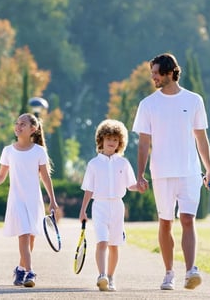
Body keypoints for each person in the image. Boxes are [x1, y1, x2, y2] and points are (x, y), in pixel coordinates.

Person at [132, 53, 210, 291]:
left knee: (187, 219)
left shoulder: (194, 100)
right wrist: (140, 175)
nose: (153, 78)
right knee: (165, 222)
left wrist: (209, 169)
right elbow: (143, 143)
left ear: (170, 73)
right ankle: (169, 273)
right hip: (161, 172)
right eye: (152, 74)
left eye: (156, 73)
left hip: (190, 172)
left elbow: (201, 137)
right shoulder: (147, 104)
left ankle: (191, 271)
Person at [0, 113, 59, 288]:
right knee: (23, 234)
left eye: (22, 124)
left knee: (30, 237)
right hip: (16, 199)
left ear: (33, 129)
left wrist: (52, 201)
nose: (18, 126)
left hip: (33, 200)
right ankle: (30, 272)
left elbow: (46, 178)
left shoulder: (39, 151)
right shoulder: (8, 151)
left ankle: (20, 269)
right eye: (16, 123)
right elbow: (1, 176)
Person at [79, 119, 142, 292]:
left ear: (120, 142)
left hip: (117, 207)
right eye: (108, 139)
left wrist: (140, 186)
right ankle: (102, 276)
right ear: (101, 140)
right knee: (102, 241)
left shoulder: (123, 163)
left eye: (115, 140)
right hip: (99, 207)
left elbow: (131, 185)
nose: (112, 142)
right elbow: (88, 190)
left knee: (114, 244)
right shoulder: (93, 164)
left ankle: (111, 277)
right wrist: (83, 210)